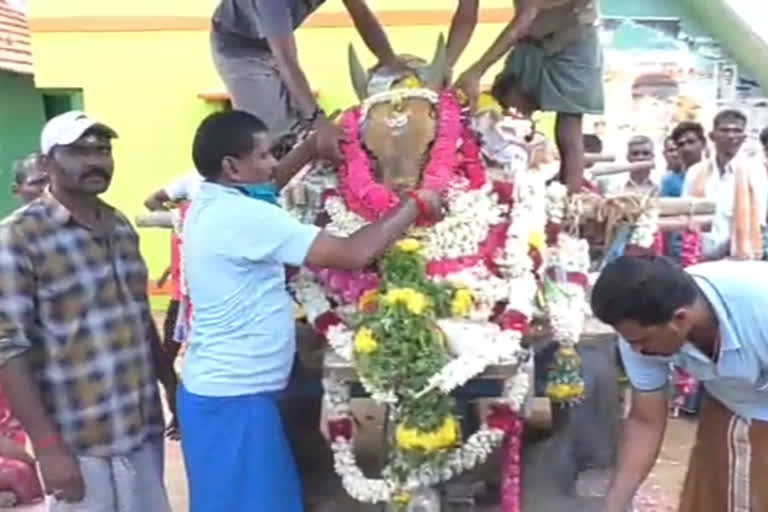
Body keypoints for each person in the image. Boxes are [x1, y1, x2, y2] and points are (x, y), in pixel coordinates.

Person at [177, 110, 446, 511]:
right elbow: (354, 254)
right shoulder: (245, 216)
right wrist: (414, 204)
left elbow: (268, 185)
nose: (273, 165)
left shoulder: (214, 199)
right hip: (236, 402)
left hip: (227, 393)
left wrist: (309, 149)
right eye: (265, 155)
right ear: (232, 167)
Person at [0, 111, 172, 510]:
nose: (95, 161)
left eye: (103, 150)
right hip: (77, 441)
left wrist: (170, 387)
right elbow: (9, 347)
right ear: (46, 164)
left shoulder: (120, 226)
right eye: (78, 151)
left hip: (140, 428)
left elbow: (138, 317)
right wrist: (47, 448)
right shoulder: (18, 237)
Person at [591, 255, 768, 512]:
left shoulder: (761, 307)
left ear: (681, 318)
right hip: (731, 406)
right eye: (630, 341)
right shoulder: (640, 330)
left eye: (642, 341)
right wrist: (615, 505)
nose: (636, 351)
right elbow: (645, 420)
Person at [210, 0, 403, 162]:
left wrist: (389, 61)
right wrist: (319, 121)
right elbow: (285, 58)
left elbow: (361, 13)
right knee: (271, 139)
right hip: (239, 48)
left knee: (302, 131)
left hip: (273, 44)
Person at [453, 0, 604, 194]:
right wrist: (447, 65)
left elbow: (525, 17)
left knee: (569, 131)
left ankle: (569, 205)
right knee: (505, 119)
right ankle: (502, 192)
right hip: (530, 40)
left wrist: (477, 71)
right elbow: (466, 16)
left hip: (575, 38)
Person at [143, 172, 202, 440]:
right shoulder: (186, 197)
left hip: (204, 299)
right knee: (167, 359)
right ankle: (179, 418)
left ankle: (189, 418)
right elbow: (150, 202)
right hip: (181, 298)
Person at [682, 110, 767, 260]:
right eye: (725, 130)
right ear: (712, 136)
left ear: (743, 138)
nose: (731, 136)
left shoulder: (755, 172)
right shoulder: (695, 173)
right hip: (698, 260)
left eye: (737, 131)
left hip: (739, 261)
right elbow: (685, 218)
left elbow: (758, 222)